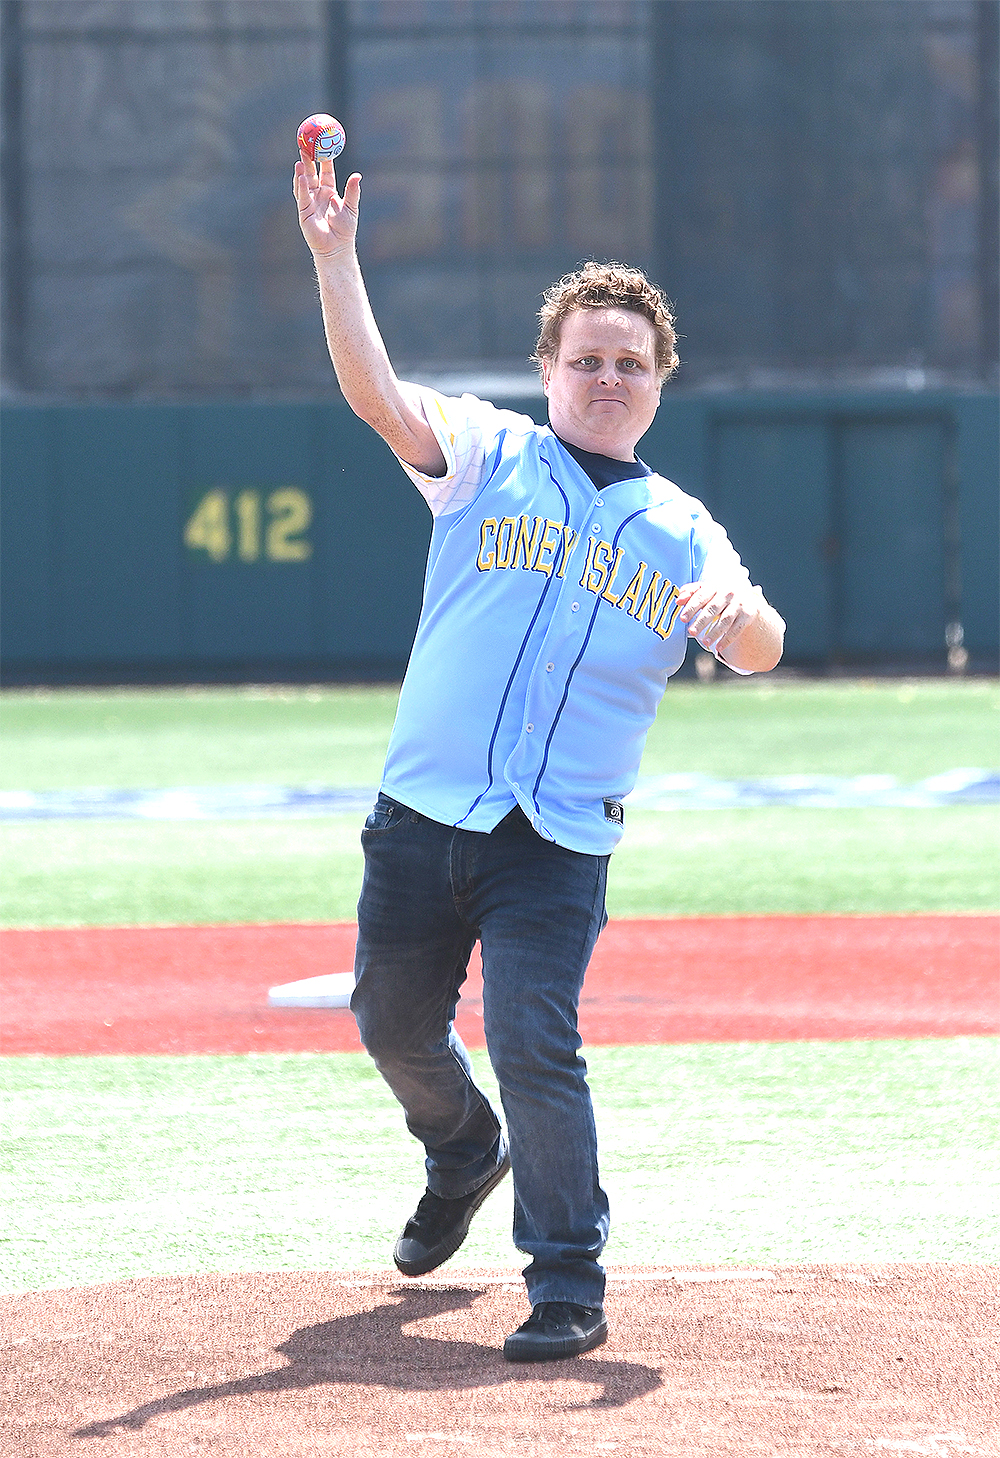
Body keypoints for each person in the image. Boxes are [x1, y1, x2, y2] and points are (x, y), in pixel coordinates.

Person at [294, 148, 785, 1363]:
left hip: (556, 840)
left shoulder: (679, 531)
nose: (606, 376)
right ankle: (463, 1146)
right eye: (586, 359)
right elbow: (376, 395)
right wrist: (334, 259)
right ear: (549, 371)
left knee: (534, 1034)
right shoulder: (485, 457)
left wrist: (737, 624)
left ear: (660, 383)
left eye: (629, 362)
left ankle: (566, 1277)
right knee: (392, 1025)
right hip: (421, 816)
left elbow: (761, 635)